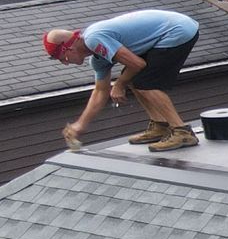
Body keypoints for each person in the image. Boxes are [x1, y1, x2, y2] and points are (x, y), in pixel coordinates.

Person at [43, 8, 201, 153]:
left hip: (177, 30)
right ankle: (160, 125)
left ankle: (182, 132)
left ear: (67, 49)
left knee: (146, 83)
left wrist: (119, 84)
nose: (64, 63)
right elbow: (100, 92)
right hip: (166, 33)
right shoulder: (98, 59)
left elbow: (138, 64)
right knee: (135, 80)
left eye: (61, 58)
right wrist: (80, 125)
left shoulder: (93, 39)